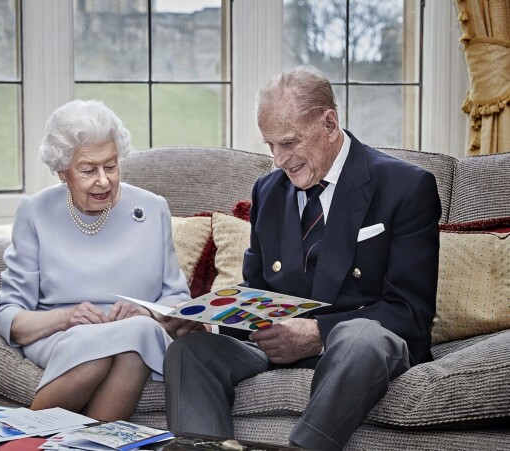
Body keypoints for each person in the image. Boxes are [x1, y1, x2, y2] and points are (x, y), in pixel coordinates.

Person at [163, 66, 441, 451]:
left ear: (329, 123)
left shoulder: (406, 186)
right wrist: (207, 323)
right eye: (270, 145)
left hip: (356, 351)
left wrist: (317, 335)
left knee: (359, 337)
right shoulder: (269, 190)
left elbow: (410, 313)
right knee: (189, 352)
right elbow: (257, 291)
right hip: (277, 347)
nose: (278, 160)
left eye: (289, 143)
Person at [0, 99, 191, 421]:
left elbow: (177, 298)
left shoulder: (152, 208)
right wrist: (66, 317)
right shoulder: (35, 211)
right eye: (88, 170)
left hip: (136, 330)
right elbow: (10, 316)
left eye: (110, 166)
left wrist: (144, 311)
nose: (103, 180)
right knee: (112, 349)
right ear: (62, 172)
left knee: (135, 338)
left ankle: (20, 435)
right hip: (60, 334)